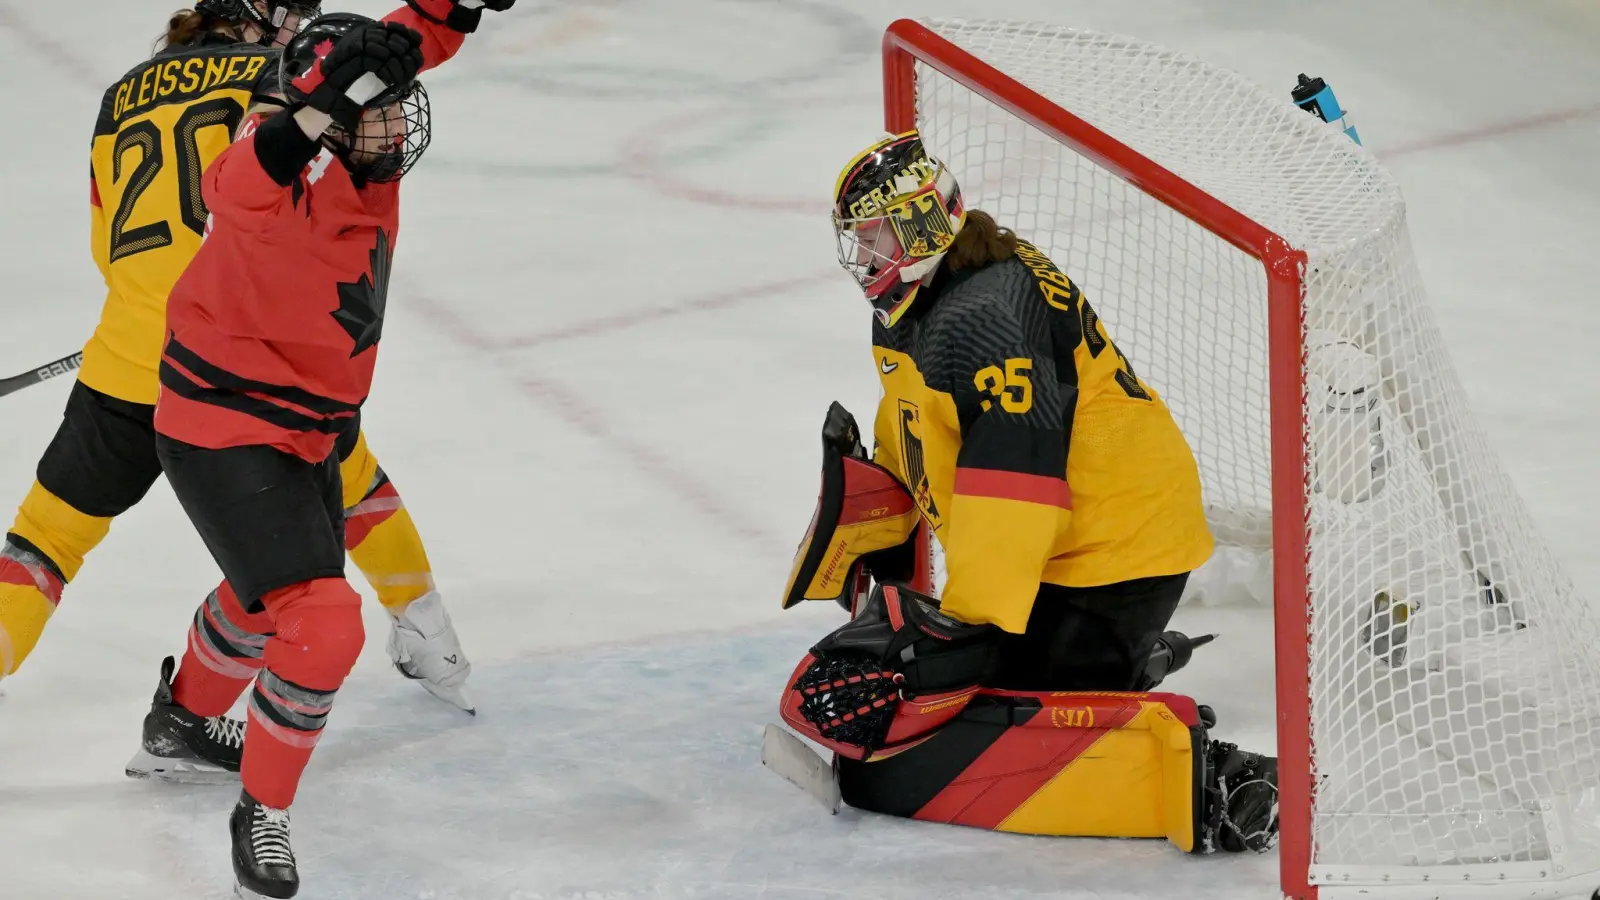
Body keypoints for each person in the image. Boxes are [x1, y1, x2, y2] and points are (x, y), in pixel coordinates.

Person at [777, 130, 1279, 854]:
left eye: (879, 236)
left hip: (1116, 550)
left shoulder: (985, 315)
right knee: (927, 699)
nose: (866, 257)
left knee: (974, 725)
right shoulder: (924, 302)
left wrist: (969, 623)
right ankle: (1118, 662)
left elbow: (1017, 481)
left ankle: (1220, 782)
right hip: (1064, 549)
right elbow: (924, 422)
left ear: (922, 227)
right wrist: (873, 490)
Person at [0, 0, 472, 734]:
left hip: (123, 359)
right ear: (261, 19)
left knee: (44, 543)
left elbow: (108, 247)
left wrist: (141, 309)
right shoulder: (277, 79)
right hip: (232, 363)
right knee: (348, 477)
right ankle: (429, 636)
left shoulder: (120, 93)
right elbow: (293, 164)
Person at [125, 3, 511, 895]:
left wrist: (443, 9)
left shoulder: (358, 142)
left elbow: (405, 42)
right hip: (221, 422)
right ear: (329, 118)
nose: (397, 122)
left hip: (309, 429)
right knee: (324, 622)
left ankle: (180, 725)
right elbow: (234, 183)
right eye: (375, 108)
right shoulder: (281, 158)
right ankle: (262, 812)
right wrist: (310, 110)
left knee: (266, 598)